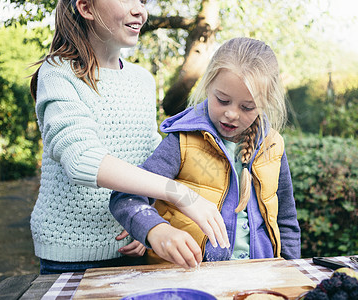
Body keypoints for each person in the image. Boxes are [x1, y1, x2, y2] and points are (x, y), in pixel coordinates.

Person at [30, 0, 229, 274]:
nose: (140, 10)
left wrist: (146, 223)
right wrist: (182, 194)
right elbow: (81, 159)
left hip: (136, 250)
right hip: (72, 259)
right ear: (86, 8)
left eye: (143, 1)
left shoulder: (143, 80)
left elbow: (151, 162)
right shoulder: (57, 72)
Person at [110, 37, 301, 263]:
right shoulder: (182, 141)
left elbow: (286, 220)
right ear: (208, 85)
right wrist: (152, 229)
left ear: (266, 102)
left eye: (247, 107)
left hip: (258, 277)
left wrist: (292, 269)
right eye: (222, 100)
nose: (231, 114)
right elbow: (126, 197)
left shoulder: (273, 146)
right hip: (189, 277)